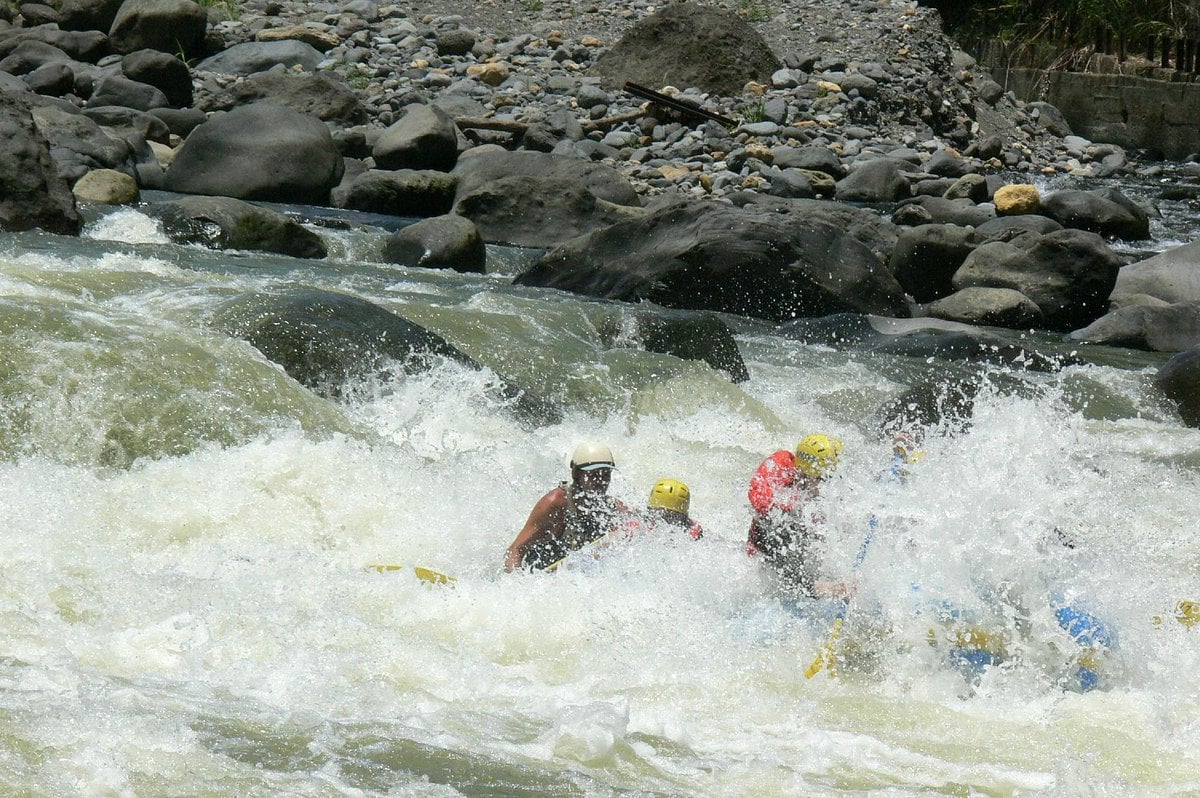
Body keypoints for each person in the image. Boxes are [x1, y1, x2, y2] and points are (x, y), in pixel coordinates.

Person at [745, 433, 851, 600]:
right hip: (768, 559)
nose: (825, 483)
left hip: (796, 553)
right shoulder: (782, 470)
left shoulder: (809, 480)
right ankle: (829, 589)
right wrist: (831, 589)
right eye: (823, 478)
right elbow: (757, 496)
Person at [504, 442, 633, 572]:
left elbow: (638, 523)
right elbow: (515, 550)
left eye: (605, 475)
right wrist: (516, 584)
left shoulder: (609, 506)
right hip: (539, 576)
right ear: (576, 474)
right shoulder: (555, 502)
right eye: (593, 475)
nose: (600, 481)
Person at [625, 479, 704, 540]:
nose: (666, 521)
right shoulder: (637, 527)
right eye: (662, 515)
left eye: (673, 516)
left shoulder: (693, 530)